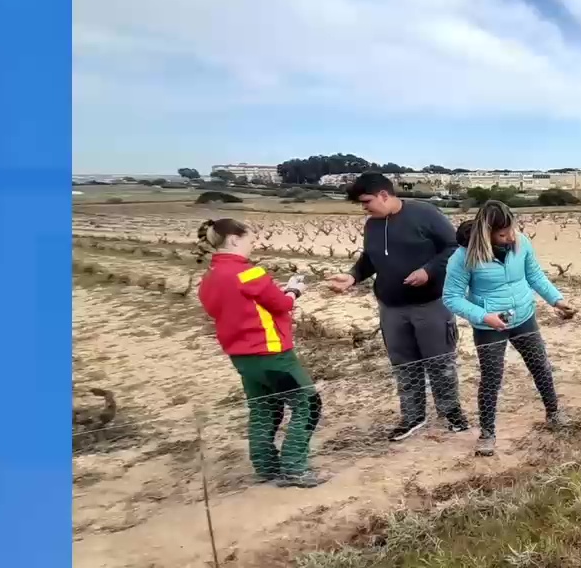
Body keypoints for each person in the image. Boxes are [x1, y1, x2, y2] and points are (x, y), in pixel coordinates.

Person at [328, 173, 468, 441]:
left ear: (384, 194)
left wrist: (429, 271)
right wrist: (353, 276)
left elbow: (453, 247)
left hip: (431, 304)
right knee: (404, 365)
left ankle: (451, 413)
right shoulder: (372, 226)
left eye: (366, 201)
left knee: (440, 362)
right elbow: (369, 259)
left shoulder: (425, 214)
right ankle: (413, 416)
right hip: (391, 308)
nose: (364, 207)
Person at [195, 218, 325, 488]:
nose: (252, 247)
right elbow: (280, 304)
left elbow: (220, 310)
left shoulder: (208, 278)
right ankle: (294, 467)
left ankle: (265, 466)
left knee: (263, 407)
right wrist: (294, 291)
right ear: (233, 239)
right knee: (307, 403)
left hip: (242, 356)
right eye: (250, 241)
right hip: (273, 355)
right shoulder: (249, 273)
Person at [442, 202, 576, 457]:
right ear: (486, 232)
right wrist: (484, 316)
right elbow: (451, 297)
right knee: (491, 379)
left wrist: (556, 300)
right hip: (489, 326)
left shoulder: (522, 243)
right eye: (502, 234)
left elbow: (534, 275)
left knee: (541, 366)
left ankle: (554, 413)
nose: (510, 237)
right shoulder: (464, 257)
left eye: (511, 230)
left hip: (524, 316)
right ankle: (487, 434)